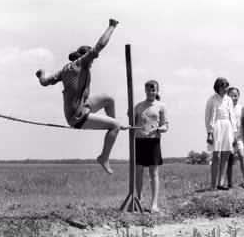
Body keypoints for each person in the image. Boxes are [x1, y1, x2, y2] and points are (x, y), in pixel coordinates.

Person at [36, 19, 127, 175]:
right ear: (86, 57)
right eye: (91, 60)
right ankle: (104, 156)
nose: (93, 63)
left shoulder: (65, 69)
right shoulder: (82, 63)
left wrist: (41, 75)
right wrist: (111, 26)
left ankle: (112, 128)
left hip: (82, 106)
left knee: (108, 99)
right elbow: (100, 46)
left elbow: (44, 82)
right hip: (77, 116)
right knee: (115, 126)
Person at [135, 80, 169, 213]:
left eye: (153, 90)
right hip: (139, 140)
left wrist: (158, 129)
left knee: (153, 172)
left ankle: (154, 204)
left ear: (157, 91)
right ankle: (138, 200)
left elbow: (166, 125)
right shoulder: (137, 106)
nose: (151, 92)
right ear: (145, 90)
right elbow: (132, 122)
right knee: (138, 171)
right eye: (149, 89)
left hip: (153, 141)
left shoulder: (161, 106)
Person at [205, 78, 237, 190]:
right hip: (216, 128)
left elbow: (232, 117)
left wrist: (234, 133)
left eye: (226, 87)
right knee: (216, 156)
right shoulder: (211, 100)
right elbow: (207, 117)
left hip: (227, 127)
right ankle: (213, 184)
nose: (225, 89)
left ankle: (221, 183)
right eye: (223, 86)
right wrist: (209, 133)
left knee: (226, 155)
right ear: (218, 87)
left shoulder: (228, 100)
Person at [226, 87, 244, 189]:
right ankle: (229, 183)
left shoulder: (242, 108)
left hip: (239, 137)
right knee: (229, 160)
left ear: (239, 96)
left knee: (241, 155)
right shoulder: (225, 108)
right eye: (231, 96)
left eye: (235, 95)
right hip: (229, 138)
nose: (233, 98)